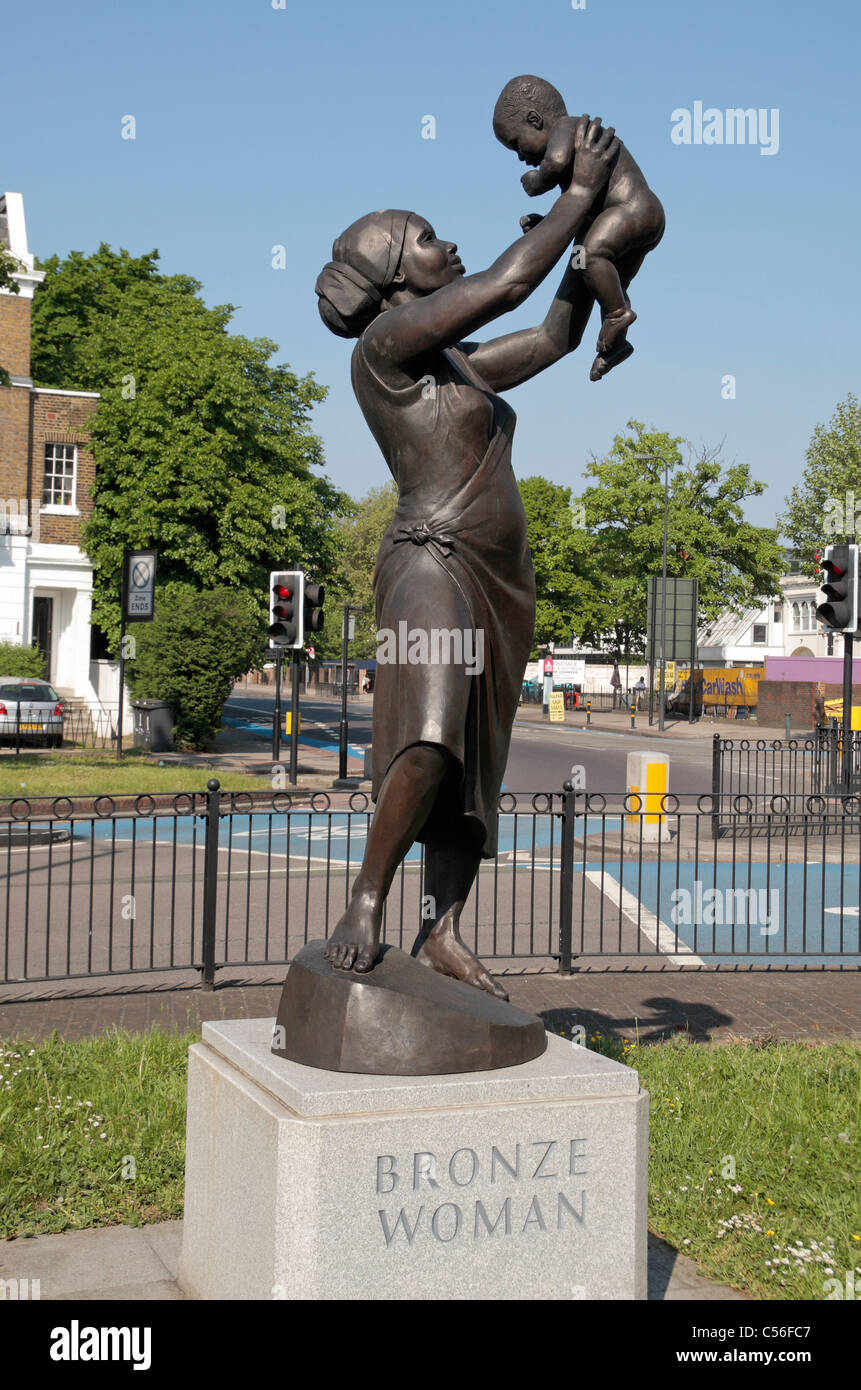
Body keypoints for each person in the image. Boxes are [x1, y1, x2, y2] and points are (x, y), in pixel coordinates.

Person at [315, 116, 620, 998]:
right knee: (431, 738)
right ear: (391, 276)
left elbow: (550, 335)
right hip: (429, 565)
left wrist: (590, 259)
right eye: (426, 236)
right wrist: (574, 195)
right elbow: (505, 282)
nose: (444, 243)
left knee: (474, 771)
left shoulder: (458, 367)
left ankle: (441, 927)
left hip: (495, 582)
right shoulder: (389, 348)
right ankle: (366, 900)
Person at [493, 75, 664, 381]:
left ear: (535, 120)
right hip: (636, 218)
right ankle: (616, 346)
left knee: (589, 254)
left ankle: (616, 315)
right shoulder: (579, 151)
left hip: (631, 210)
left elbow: (555, 164)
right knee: (608, 283)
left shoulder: (567, 128)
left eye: (517, 144)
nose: (520, 157)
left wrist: (536, 181)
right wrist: (548, 224)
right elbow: (576, 204)